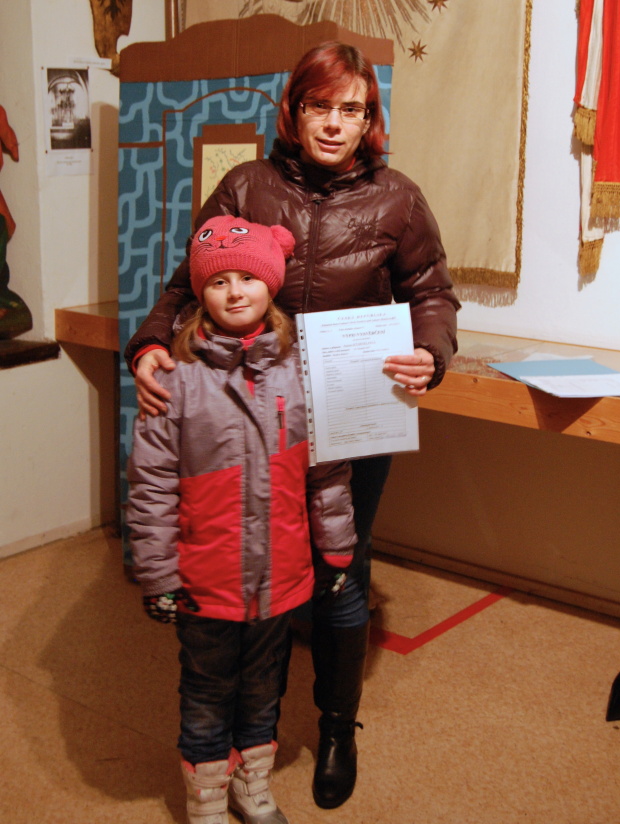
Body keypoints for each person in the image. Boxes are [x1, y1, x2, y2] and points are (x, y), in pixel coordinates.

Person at [125, 40, 460, 809]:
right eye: (319, 106)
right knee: (258, 563)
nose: (334, 124)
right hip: (247, 399)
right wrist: (148, 344)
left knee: (342, 565)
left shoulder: (399, 199)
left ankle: (337, 727)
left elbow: (431, 290)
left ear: (369, 119)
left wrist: (429, 351)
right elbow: (185, 283)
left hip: (348, 401)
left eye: (352, 110)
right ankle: (248, 740)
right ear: (294, 110)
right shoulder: (245, 184)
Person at [126, 215, 356, 824]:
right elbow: (151, 487)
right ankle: (205, 798)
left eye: (247, 278)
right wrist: (158, 575)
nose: (234, 292)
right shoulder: (174, 379)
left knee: (262, 687)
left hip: (280, 578)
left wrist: (336, 552)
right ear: (199, 291)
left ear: (271, 285)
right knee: (207, 691)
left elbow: (328, 475)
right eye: (218, 281)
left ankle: (253, 785)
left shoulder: (301, 372)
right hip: (206, 581)